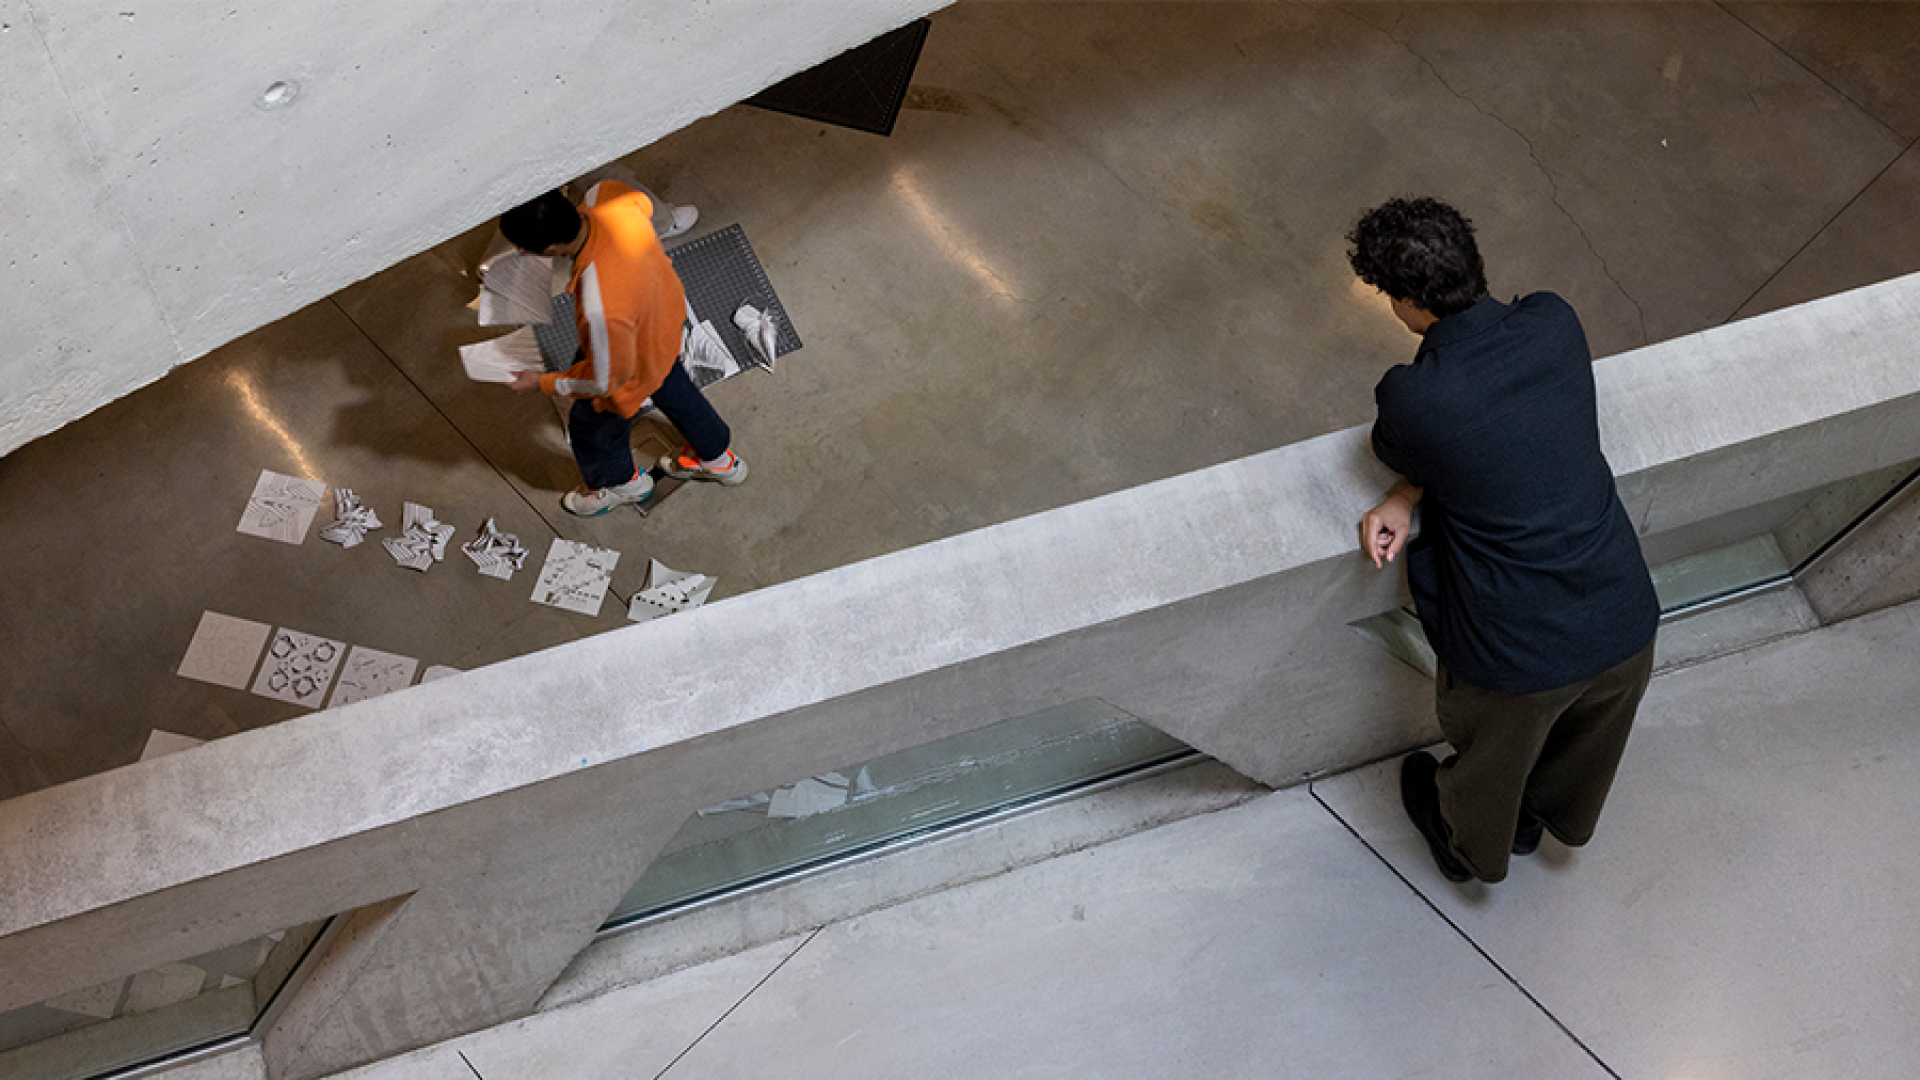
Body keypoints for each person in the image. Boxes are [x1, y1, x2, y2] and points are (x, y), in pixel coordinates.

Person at [1348, 196, 1660, 885]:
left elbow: (1415, 450)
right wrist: (1411, 492)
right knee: (1582, 745)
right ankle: (1553, 813)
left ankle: (1469, 845)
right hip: (1624, 617)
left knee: (1491, 766)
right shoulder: (1555, 324)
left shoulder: (1413, 398)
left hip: (1518, 654)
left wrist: (1403, 491)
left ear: (1404, 303)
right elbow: (1503, 437)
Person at [498, 183, 746, 516]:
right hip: (663, 327)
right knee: (675, 388)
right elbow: (644, 204)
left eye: (526, 248)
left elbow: (604, 383)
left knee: (592, 424)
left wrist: (541, 382)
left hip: (628, 358)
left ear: (554, 247)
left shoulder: (600, 305)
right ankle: (718, 459)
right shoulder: (607, 196)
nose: (524, 253)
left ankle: (622, 484)